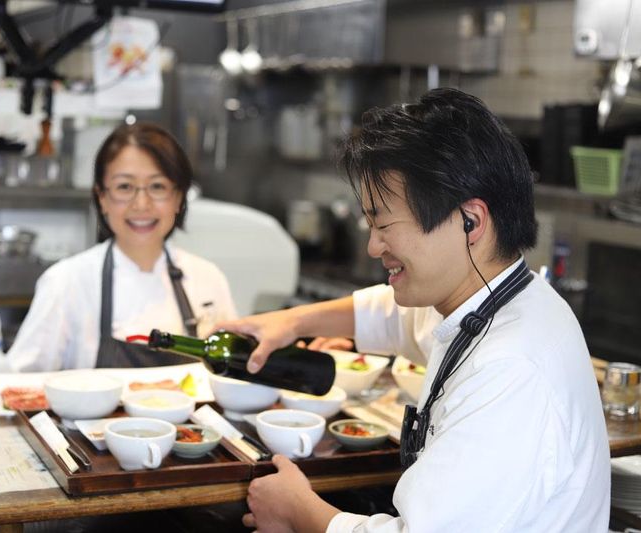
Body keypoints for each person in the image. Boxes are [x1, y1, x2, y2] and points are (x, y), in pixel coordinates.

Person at [219, 88, 610, 532]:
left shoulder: (511, 368)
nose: (373, 246)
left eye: (384, 224)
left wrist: (298, 510)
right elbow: (393, 314)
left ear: (471, 222)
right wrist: (292, 322)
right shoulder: (499, 299)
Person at [0, 122, 236, 390]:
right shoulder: (67, 281)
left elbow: (229, 376)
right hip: (89, 443)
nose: (141, 203)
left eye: (157, 187)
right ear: (102, 197)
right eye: (125, 187)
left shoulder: (207, 278)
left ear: (178, 198)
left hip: (192, 442)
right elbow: (20, 382)